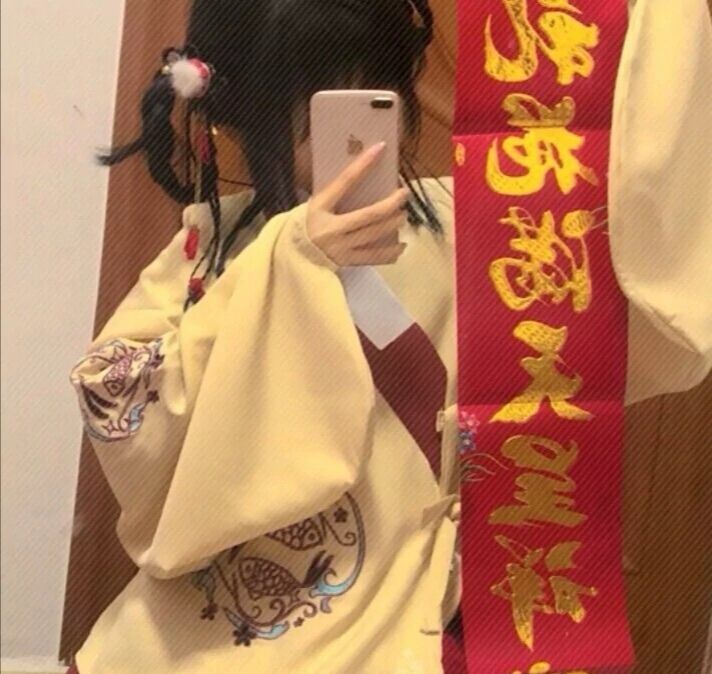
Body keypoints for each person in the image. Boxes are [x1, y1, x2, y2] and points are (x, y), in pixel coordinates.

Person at [66, 1, 711, 673]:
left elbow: (638, 248)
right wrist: (291, 259)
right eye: (315, 110)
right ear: (243, 114)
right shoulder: (213, 251)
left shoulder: (483, 230)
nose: (355, 133)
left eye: (375, 93)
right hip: (226, 628)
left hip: (412, 609)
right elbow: (115, 397)